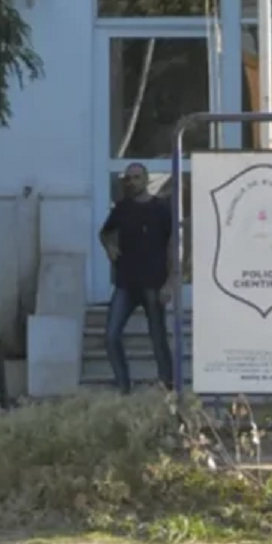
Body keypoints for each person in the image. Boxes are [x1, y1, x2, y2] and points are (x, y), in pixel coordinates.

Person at [100, 163, 176, 393]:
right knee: (111, 335)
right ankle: (124, 387)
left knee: (158, 338)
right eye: (129, 179)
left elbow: (174, 245)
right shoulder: (122, 209)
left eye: (136, 177)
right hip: (126, 282)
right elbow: (104, 233)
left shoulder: (161, 208)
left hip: (154, 282)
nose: (132, 182)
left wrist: (171, 281)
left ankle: (167, 387)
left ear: (146, 180)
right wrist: (110, 247)